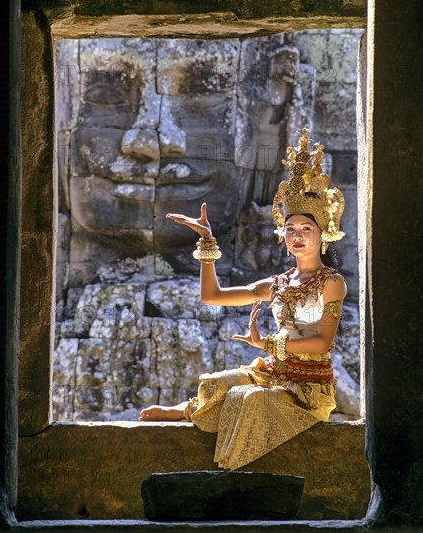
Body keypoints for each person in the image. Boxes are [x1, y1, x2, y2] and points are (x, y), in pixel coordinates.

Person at [139, 128, 347, 470]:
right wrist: (208, 245)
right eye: (290, 230)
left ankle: (227, 472)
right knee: (219, 382)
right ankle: (188, 409)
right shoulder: (277, 283)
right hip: (273, 374)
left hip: (308, 390)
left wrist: (268, 344)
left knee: (246, 399)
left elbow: (322, 342)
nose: (296, 237)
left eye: (305, 230)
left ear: (322, 235)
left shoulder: (331, 282)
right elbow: (212, 296)